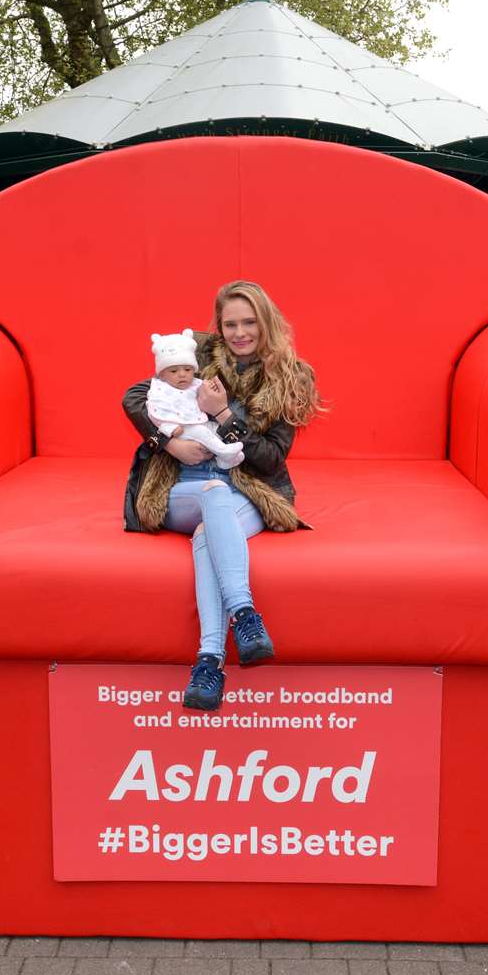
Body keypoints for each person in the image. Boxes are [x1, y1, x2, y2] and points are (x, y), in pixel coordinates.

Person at [121, 280, 322, 711]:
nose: (239, 333)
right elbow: (137, 396)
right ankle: (245, 615)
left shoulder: (291, 376)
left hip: (249, 491)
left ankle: (209, 660)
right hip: (180, 488)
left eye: (249, 322)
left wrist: (224, 414)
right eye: (230, 323)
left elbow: (269, 460)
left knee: (208, 529)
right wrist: (168, 442)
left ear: (266, 322)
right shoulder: (198, 356)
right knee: (211, 493)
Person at [145, 330, 244, 469]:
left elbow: (206, 393)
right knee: (202, 432)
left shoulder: (195, 384)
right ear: (162, 375)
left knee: (215, 428)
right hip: (181, 429)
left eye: (187, 369)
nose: (182, 375)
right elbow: (155, 412)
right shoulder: (160, 390)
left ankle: (223, 460)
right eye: (174, 371)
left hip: (197, 422)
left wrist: (210, 387)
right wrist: (170, 429)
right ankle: (224, 452)